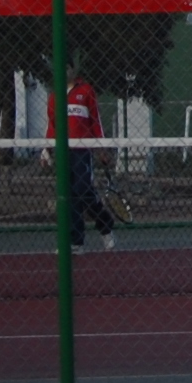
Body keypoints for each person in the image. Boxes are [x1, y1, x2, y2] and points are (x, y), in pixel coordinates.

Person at [63, 72, 119, 251]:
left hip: (83, 150)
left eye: (68, 67)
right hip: (63, 152)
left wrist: (101, 148)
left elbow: (96, 121)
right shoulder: (55, 95)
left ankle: (105, 225)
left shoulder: (86, 91)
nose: (64, 71)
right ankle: (76, 242)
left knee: (82, 190)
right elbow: (52, 125)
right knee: (69, 195)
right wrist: (46, 150)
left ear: (73, 69)